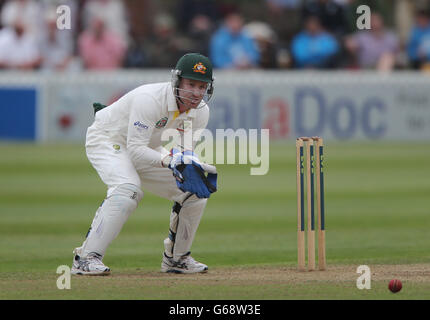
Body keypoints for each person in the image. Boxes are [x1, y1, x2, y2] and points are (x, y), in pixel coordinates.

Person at [71, 53, 218, 275]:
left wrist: (193, 165)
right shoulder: (150, 99)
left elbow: (184, 151)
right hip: (108, 139)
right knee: (128, 190)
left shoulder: (200, 112)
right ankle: (85, 258)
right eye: (191, 84)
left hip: (145, 146)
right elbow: (136, 150)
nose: (197, 93)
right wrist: (171, 160)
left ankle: (176, 260)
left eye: (202, 86)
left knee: (194, 192)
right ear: (177, 81)